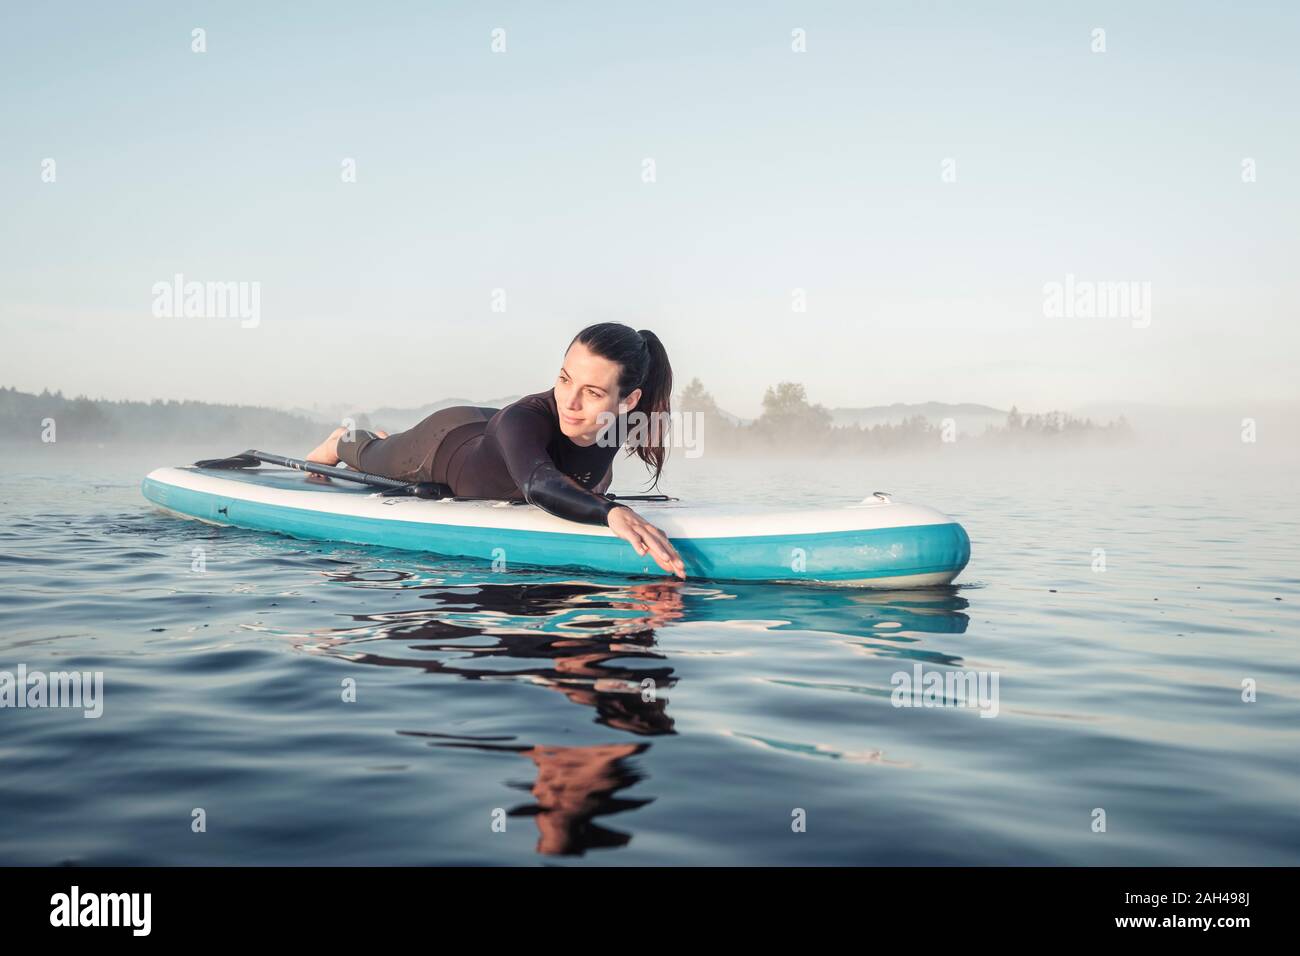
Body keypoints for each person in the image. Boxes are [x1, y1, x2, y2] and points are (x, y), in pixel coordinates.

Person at [305, 322, 686, 579]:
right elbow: (538, 483)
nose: (570, 401)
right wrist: (609, 513)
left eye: (592, 392)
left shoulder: (620, 420)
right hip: (442, 446)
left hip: (501, 434)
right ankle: (343, 438)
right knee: (373, 455)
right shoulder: (527, 417)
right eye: (564, 379)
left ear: (628, 400)